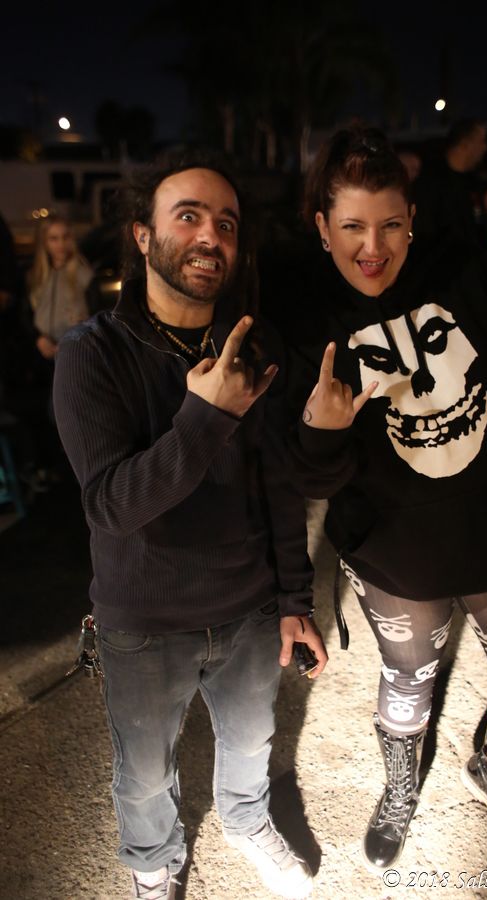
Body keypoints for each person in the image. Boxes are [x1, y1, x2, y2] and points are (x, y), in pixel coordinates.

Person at [283, 126, 487, 874]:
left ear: (411, 217)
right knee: (407, 686)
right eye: (352, 226)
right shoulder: (309, 322)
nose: (371, 247)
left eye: (389, 224)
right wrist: (320, 430)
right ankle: (400, 787)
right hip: (393, 555)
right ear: (323, 227)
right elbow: (306, 477)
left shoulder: (472, 273)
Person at [53, 150, 327, 900]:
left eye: (227, 224)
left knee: (251, 742)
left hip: (249, 609)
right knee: (143, 773)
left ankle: (245, 821)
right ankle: (153, 862)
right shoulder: (91, 354)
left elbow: (277, 484)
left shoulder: (254, 344)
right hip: (144, 622)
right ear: (143, 236)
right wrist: (204, 417)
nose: (211, 235)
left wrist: (295, 600)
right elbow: (111, 504)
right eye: (189, 216)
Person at [412, 118, 487, 248]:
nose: (485, 148)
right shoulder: (431, 184)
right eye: (481, 141)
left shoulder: (474, 184)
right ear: (465, 143)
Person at [29, 213, 93, 361]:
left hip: (75, 355)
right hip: (41, 357)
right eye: (54, 239)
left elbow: (96, 317)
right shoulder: (35, 278)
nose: (61, 244)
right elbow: (26, 317)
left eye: (66, 237)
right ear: (44, 243)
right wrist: (39, 339)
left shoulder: (85, 276)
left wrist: (73, 341)